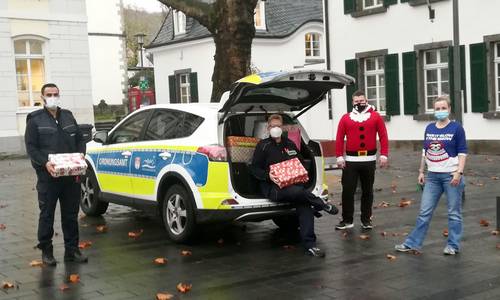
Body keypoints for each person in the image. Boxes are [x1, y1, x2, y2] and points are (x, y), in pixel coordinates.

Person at [250, 114, 338, 257]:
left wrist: (300, 173)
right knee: (299, 193)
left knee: (305, 206)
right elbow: (254, 169)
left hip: (294, 186)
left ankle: (310, 245)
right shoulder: (263, 145)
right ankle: (322, 204)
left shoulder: (290, 144)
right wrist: (268, 176)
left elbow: (301, 162)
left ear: (282, 127)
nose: (276, 128)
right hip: (274, 189)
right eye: (273, 126)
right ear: (268, 128)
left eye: (278, 126)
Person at [25, 83, 88, 266]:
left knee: (70, 214)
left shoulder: (67, 116)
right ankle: (46, 250)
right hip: (48, 177)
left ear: (59, 95)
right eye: (49, 94)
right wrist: (45, 163)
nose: (52, 97)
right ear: (42, 97)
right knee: (47, 215)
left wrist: (81, 154)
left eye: (55, 94)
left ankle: (72, 250)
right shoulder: (35, 119)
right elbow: (31, 148)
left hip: (70, 177)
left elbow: (79, 140)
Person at [396, 96, 467, 255]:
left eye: (443, 108)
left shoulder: (457, 128)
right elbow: (425, 152)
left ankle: (453, 245)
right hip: (433, 177)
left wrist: (459, 173)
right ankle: (412, 243)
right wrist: (422, 171)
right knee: (424, 212)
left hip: (451, 176)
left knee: (454, 213)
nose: (440, 111)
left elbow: (463, 152)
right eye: (437, 108)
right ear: (434, 110)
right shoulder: (429, 128)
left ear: (449, 109)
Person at [335, 90, 389, 230]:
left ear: (366, 100)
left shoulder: (376, 117)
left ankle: (366, 220)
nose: (359, 103)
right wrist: (339, 156)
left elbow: (383, 136)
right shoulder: (345, 118)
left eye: (361, 100)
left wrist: (384, 154)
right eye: (356, 101)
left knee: (367, 191)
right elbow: (339, 138)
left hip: (369, 160)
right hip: (351, 161)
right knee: (347, 191)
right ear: (352, 102)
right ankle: (347, 220)